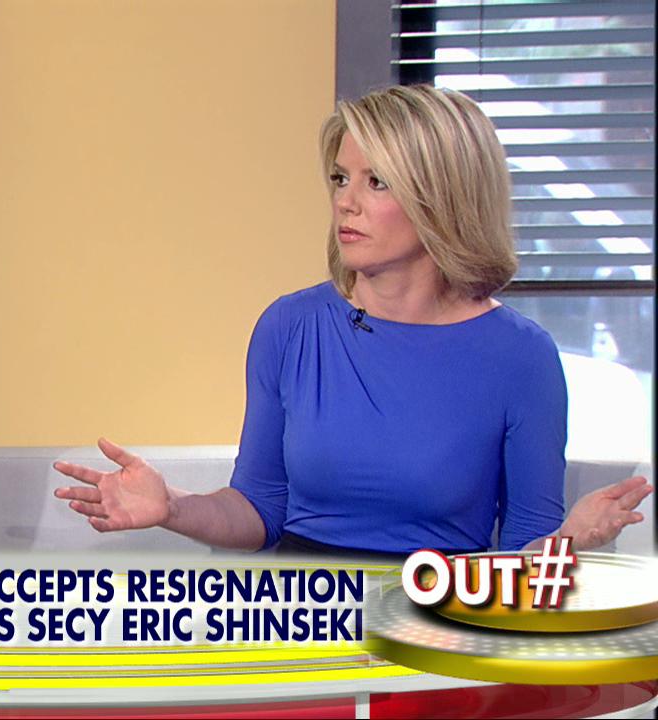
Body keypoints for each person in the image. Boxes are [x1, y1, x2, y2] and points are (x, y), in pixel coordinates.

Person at [54, 85, 651, 558]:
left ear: (441, 198)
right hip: (302, 624)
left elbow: (522, 559)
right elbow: (260, 510)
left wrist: (569, 543)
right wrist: (172, 507)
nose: (346, 200)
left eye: (377, 182)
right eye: (341, 177)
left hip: (437, 626)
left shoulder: (520, 357)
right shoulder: (291, 327)